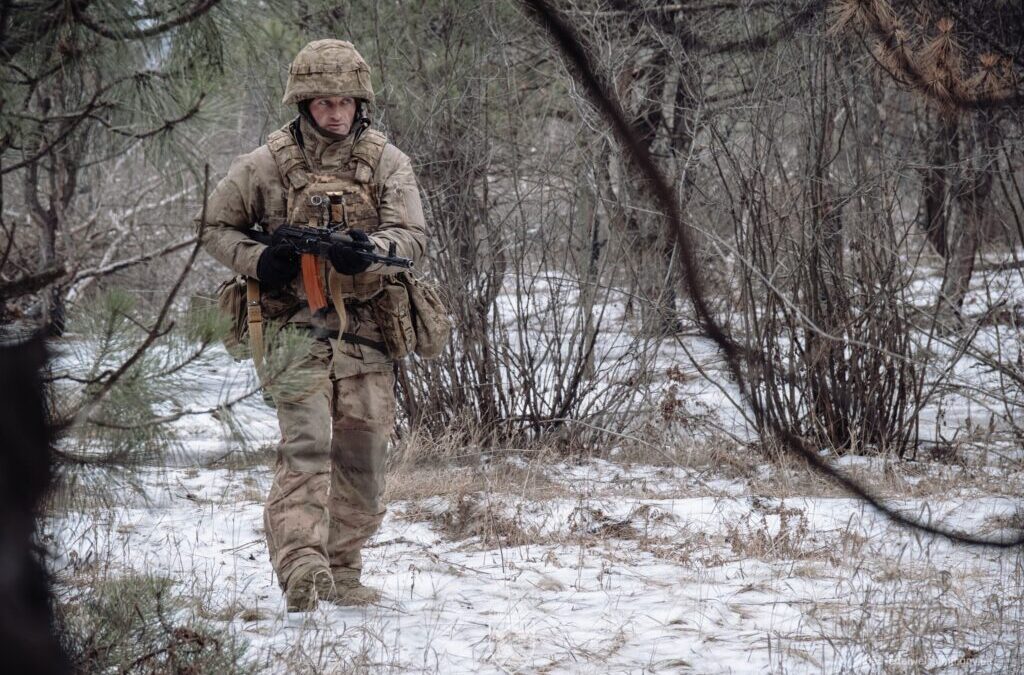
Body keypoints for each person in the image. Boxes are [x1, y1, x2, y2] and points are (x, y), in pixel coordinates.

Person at [197, 39, 427, 611]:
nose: (335, 112)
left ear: (360, 102)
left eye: (345, 101)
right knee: (306, 447)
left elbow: (413, 238)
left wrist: (369, 250)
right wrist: (260, 260)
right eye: (322, 101)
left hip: (368, 331)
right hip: (292, 329)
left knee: (364, 460)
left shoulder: (387, 162)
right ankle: (303, 569)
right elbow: (216, 227)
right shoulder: (264, 164)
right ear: (303, 104)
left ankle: (342, 569)